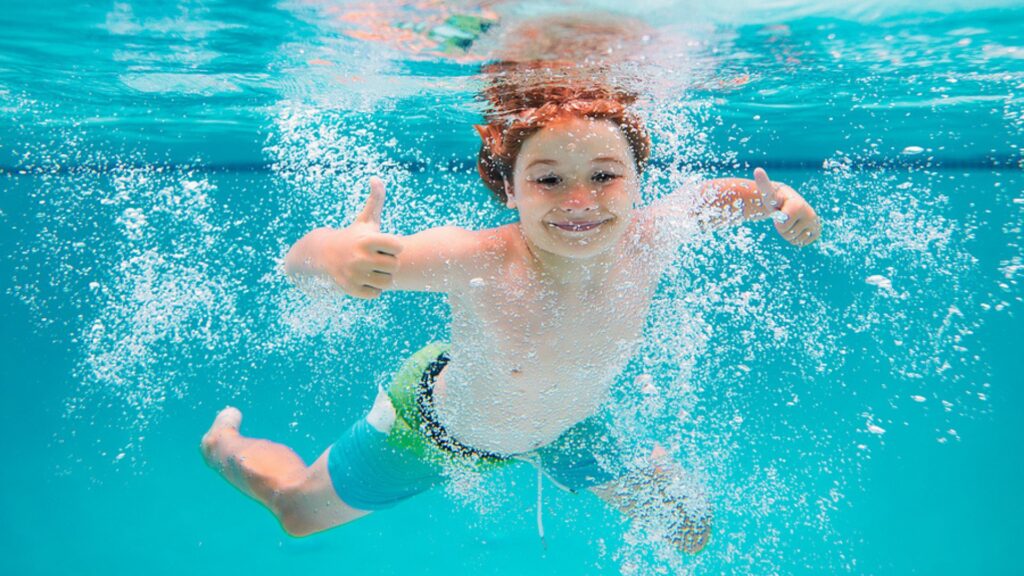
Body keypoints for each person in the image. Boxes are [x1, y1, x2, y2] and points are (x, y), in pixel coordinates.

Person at [200, 15, 821, 555]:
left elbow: (716, 199)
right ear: (510, 186)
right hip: (439, 430)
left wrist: (781, 202)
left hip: (569, 428)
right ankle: (224, 446)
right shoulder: (478, 259)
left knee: (690, 526)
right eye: (549, 180)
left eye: (605, 175)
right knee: (296, 514)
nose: (580, 202)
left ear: (637, 177)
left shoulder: (651, 236)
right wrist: (334, 253)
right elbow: (297, 261)